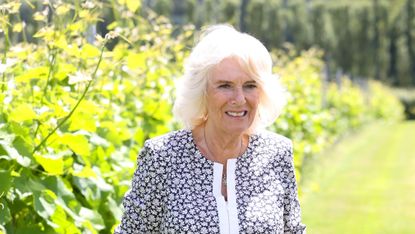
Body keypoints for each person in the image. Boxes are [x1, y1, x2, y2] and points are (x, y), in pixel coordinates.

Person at [115, 25, 306, 234]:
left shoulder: (276, 153)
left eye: (250, 86)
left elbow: (293, 231)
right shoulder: (162, 157)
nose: (239, 99)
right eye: (225, 86)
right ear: (202, 91)